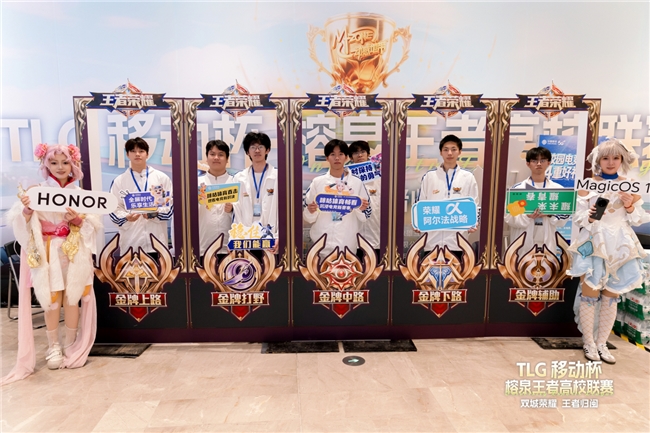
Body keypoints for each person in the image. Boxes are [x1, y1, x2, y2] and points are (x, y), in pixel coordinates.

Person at [2, 144, 102, 385]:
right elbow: (19, 223)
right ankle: (53, 345)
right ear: (46, 165)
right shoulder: (36, 192)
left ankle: (71, 344)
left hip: (75, 251)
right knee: (52, 299)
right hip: (49, 252)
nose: (60, 167)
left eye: (65, 162)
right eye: (54, 163)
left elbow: (93, 225)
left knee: (73, 298)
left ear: (73, 164)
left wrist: (78, 221)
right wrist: (27, 211)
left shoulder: (80, 193)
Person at [568, 138, 649, 364]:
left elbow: (638, 218)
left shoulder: (630, 185)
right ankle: (589, 342)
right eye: (605, 158)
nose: (610, 162)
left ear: (622, 159)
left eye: (615, 157)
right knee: (590, 294)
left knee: (612, 295)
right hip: (594, 241)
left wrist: (629, 205)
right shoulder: (587, 184)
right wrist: (590, 215)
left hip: (620, 244)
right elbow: (578, 217)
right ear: (598, 160)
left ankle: (602, 343)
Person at [303, 139, 371, 258]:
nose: (337, 158)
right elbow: (307, 215)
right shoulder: (318, 182)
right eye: (332, 154)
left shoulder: (357, 183)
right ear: (327, 158)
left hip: (347, 245)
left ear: (346, 157)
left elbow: (366, 215)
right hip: (321, 245)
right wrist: (311, 211)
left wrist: (361, 209)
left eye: (340, 154)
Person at [415, 134, 479, 257]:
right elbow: (420, 205)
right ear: (441, 152)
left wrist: (474, 223)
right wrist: (417, 222)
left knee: (457, 270)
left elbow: (474, 206)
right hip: (432, 242)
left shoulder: (468, 177)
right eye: (446, 149)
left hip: (458, 242)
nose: (450, 153)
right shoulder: (429, 177)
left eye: (453, 149)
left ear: (459, 152)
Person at [109, 137, 173, 258]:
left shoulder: (161, 178)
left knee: (158, 270)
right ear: (127, 154)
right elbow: (113, 209)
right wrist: (126, 217)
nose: (137, 154)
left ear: (147, 154)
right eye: (133, 151)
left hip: (156, 243)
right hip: (131, 243)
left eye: (141, 151)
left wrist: (153, 214)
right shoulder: (119, 181)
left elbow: (169, 208)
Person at [504, 147, 569, 254]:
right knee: (523, 262)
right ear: (528, 164)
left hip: (547, 239)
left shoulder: (557, 190)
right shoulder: (518, 190)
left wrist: (550, 214)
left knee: (547, 263)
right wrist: (526, 215)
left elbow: (564, 217)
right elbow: (509, 216)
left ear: (548, 163)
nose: (539, 164)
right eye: (534, 160)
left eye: (542, 160)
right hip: (524, 241)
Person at [232, 132, 278, 253]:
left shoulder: (278, 176)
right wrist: (236, 237)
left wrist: (278, 235)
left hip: (270, 239)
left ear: (267, 150)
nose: (257, 150)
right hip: (246, 238)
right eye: (253, 147)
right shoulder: (239, 178)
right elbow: (236, 211)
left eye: (261, 147)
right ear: (247, 152)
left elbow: (283, 210)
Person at [198, 140, 238, 261]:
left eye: (221, 154)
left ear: (227, 159)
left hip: (230, 247)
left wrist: (233, 209)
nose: (216, 158)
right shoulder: (197, 183)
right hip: (204, 246)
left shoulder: (235, 182)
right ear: (207, 158)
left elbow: (245, 212)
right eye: (212, 154)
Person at [349, 140, 380, 259]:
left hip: (375, 234)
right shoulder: (345, 179)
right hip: (353, 237)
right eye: (356, 153)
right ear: (351, 157)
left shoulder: (379, 177)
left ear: (368, 154)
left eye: (362, 152)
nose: (360, 155)